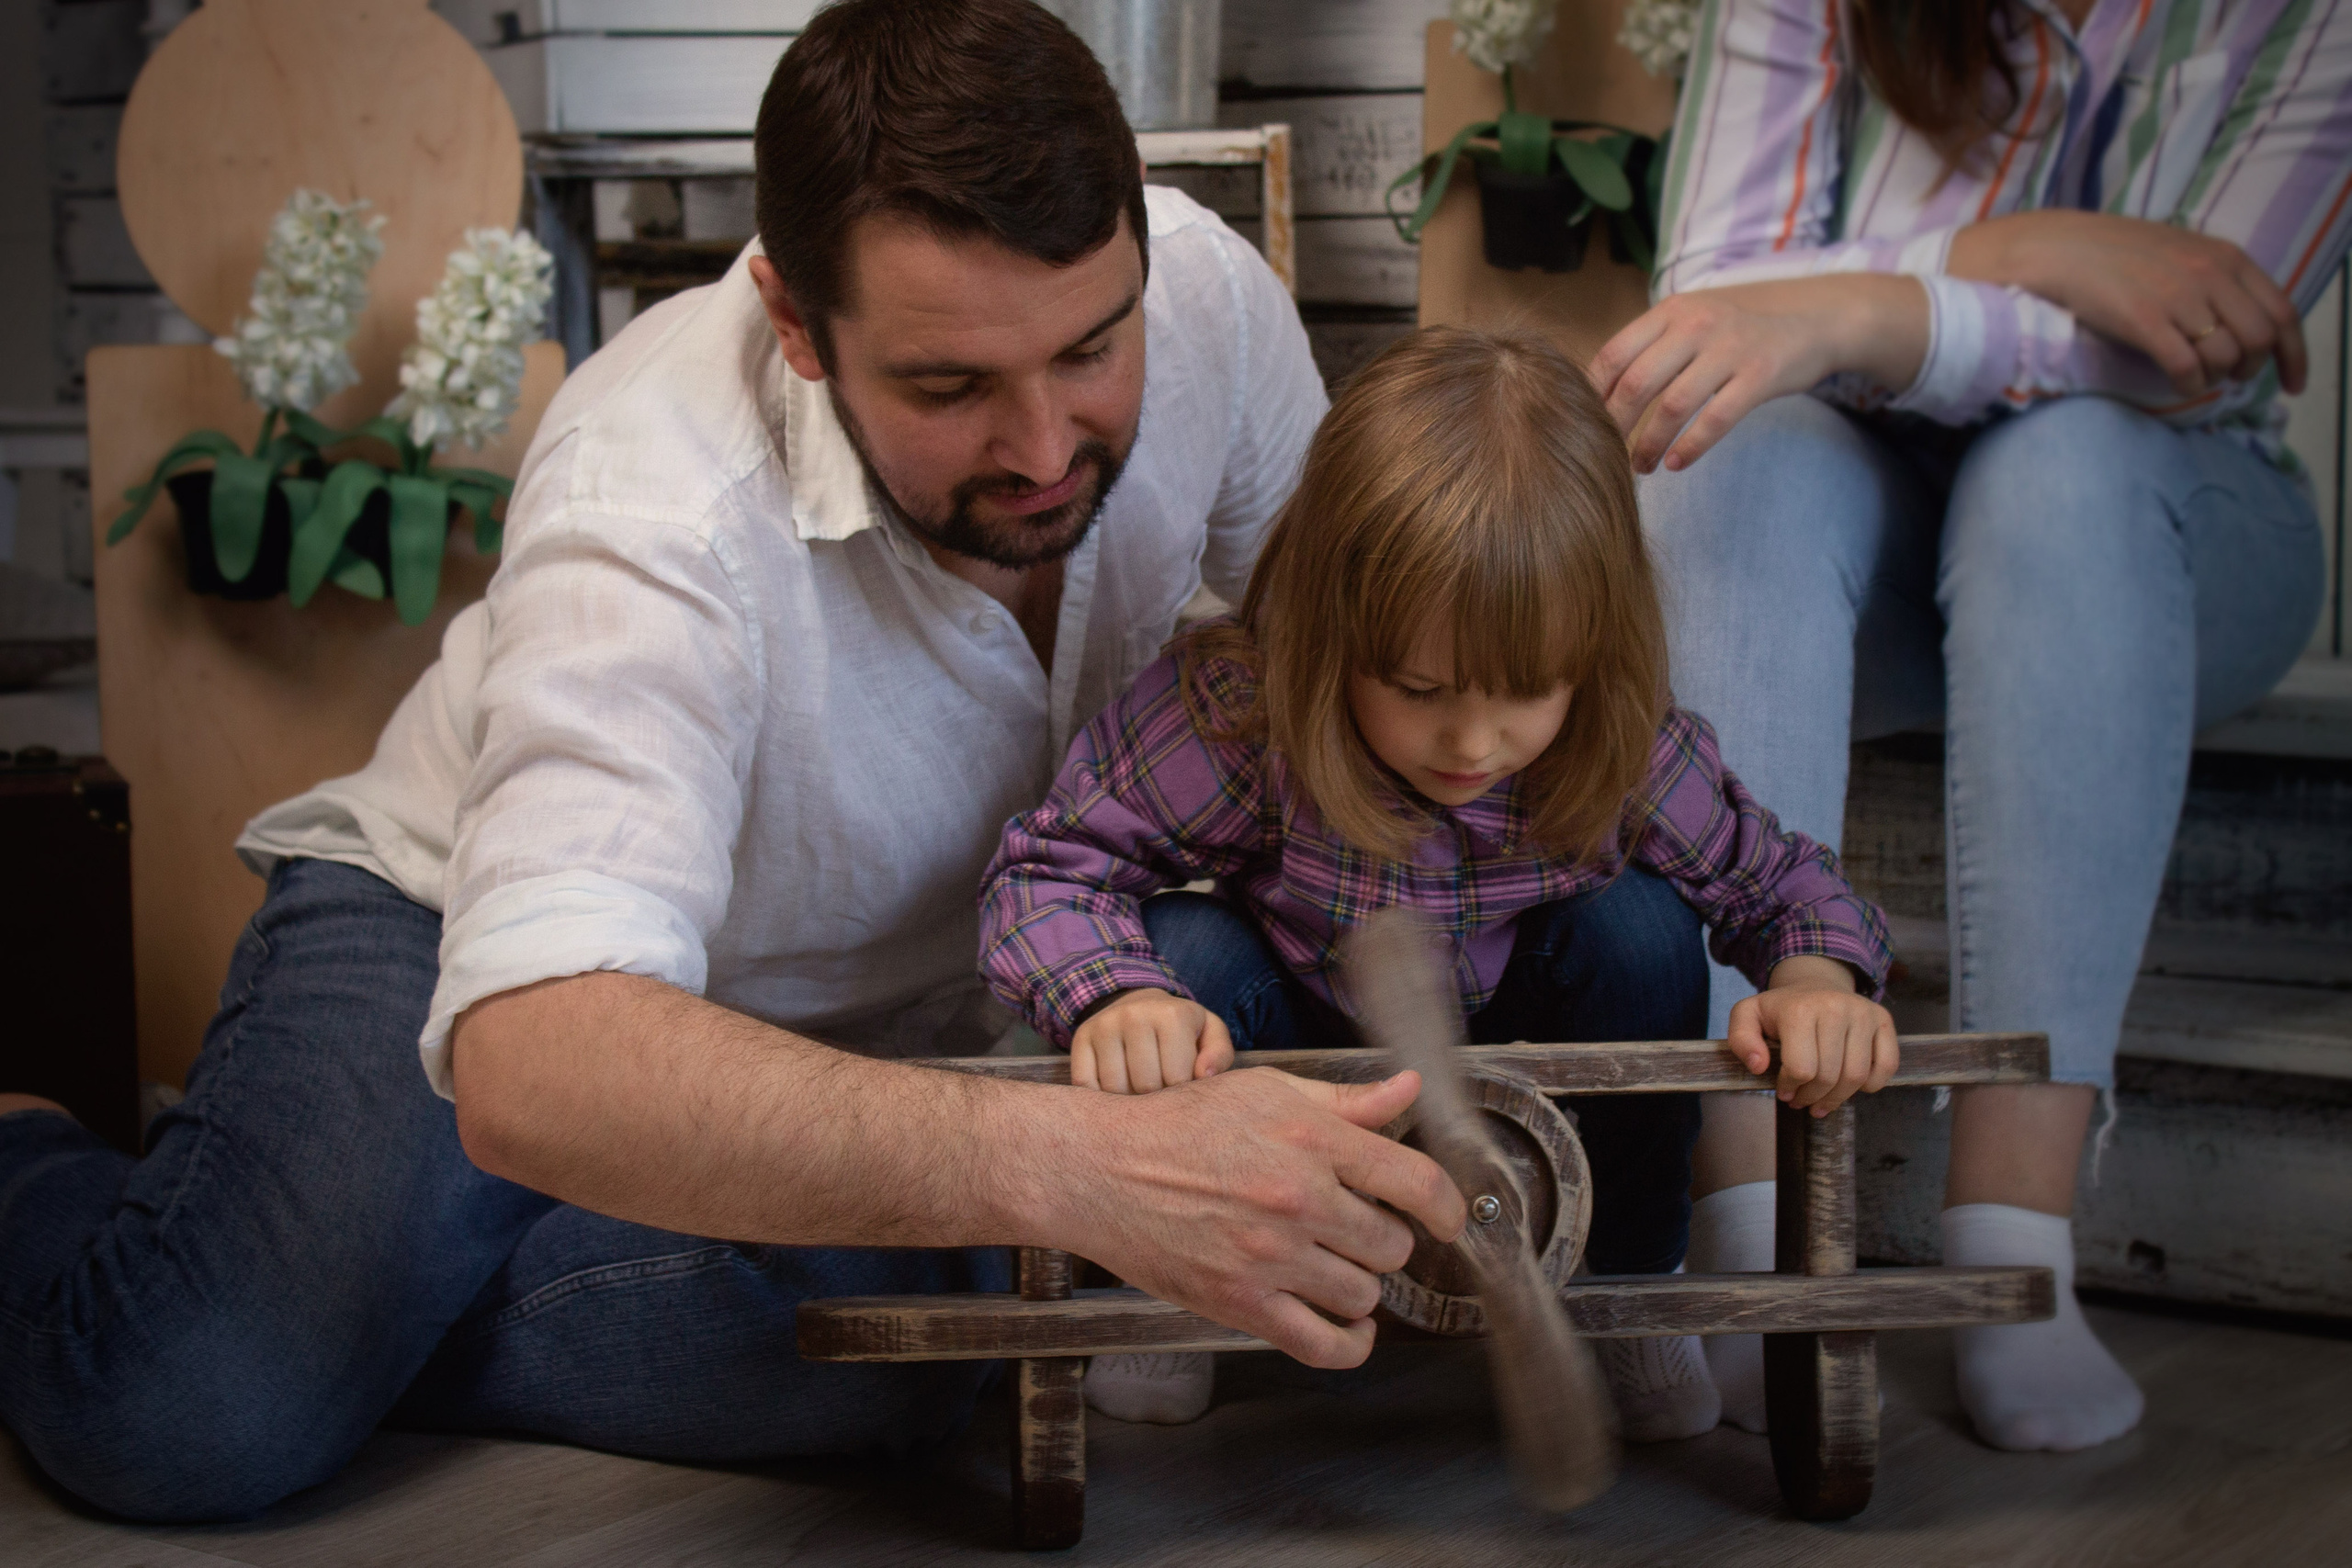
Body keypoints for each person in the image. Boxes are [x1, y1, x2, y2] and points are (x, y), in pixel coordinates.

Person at [0, 0, 1471, 1522]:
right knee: (190, 1411)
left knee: (917, 1348)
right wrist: (1083, 1166)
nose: (1046, 444)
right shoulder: (648, 492)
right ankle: (49, 1167)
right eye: (949, 387)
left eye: (1093, 348)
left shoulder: (1210, 297)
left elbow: (1351, 676)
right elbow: (539, 1052)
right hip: (476, 947)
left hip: (905, 999)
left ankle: (372, 1296)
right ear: (793, 321)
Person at [1600, 0, 2345, 1452]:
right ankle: (1746, 1221)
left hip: (2168, 515)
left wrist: (1865, 304)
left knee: (2059, 465)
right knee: (1726, 449)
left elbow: (2197, 348)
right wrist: (2031, 252)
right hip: (1855, 515)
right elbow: (1713, 311)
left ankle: (2016, 1239)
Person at [977, 326, 1903, 1438]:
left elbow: (1785, 887)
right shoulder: (1242, 713)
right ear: (1329, 627)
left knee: (1644, 930)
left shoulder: (1620, 747)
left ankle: (1629, 1294)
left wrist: (1814, 978)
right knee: (1183, 953)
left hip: (1532, 1061)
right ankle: (1175, 1284)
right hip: (1308, 1052)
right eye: (1418, 687)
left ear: (1594, 654)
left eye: (1528, 690)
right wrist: (1117, 997)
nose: (1472, 740)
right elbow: (1044, 870)